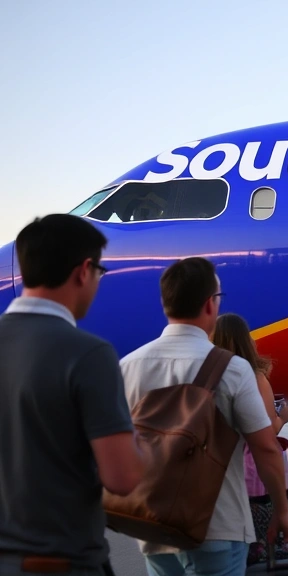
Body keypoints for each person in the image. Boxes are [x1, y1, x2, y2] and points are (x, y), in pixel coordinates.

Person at [119, 257, 288, 575]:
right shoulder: (232, 368)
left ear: (165, 303)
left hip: (153, 524)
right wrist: (282, 511)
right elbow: (266, 447)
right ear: (210, 304)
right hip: (218, 525)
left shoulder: (128, 366)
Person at [0, 214, 146, 576]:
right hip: (60, 562)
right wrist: (146, 446)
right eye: (100, 272)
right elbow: (122, 478)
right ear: (84, 270)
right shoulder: (87, 353)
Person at [211, 313, 288, 497]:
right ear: (246, 340)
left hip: (216, 464)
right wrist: (283, 417)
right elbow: (269, 431)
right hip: (251, 464)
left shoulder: (207, 374)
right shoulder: (254, 377)